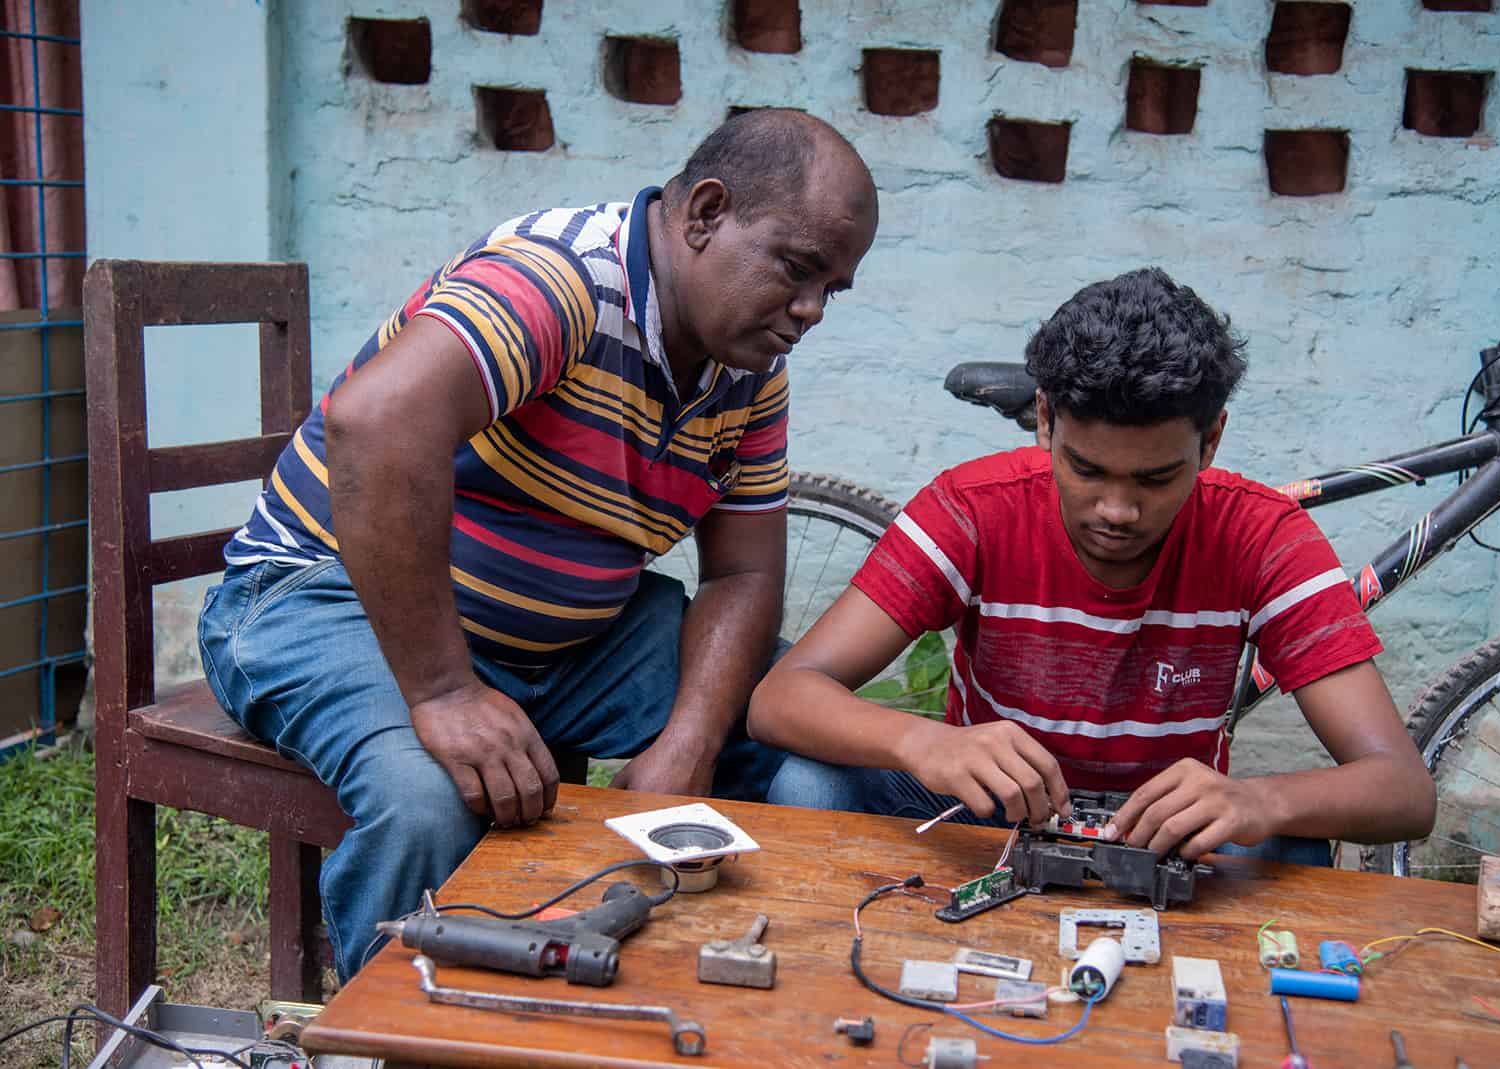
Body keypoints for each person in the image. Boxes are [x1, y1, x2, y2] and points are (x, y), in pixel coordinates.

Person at [197, 109, 879, 979]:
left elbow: (743, 572)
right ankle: (400, 1035)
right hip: (327, 595)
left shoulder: (747, 368)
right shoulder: (560, 277)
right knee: (427, 801)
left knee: (801, 724)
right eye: (798, 269)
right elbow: (375, 420)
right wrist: (445, 692)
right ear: (706, 213)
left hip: (570, 646)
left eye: (835, 289)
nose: (812, 311)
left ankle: (722, 995)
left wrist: (692, 735)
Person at [751, 267, 1435, 865]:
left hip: (1166, 836)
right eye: (1086, 469)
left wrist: (1260, 801)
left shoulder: (1262, 535)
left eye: (1156, 478)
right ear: (1046, 420)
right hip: (989, 815)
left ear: (1212, 440)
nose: (1118, 510)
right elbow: (781, 699)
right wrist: (921, 741)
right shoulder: (973, 508)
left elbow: (1403, 790)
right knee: (811, 784)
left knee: (1289, 845)